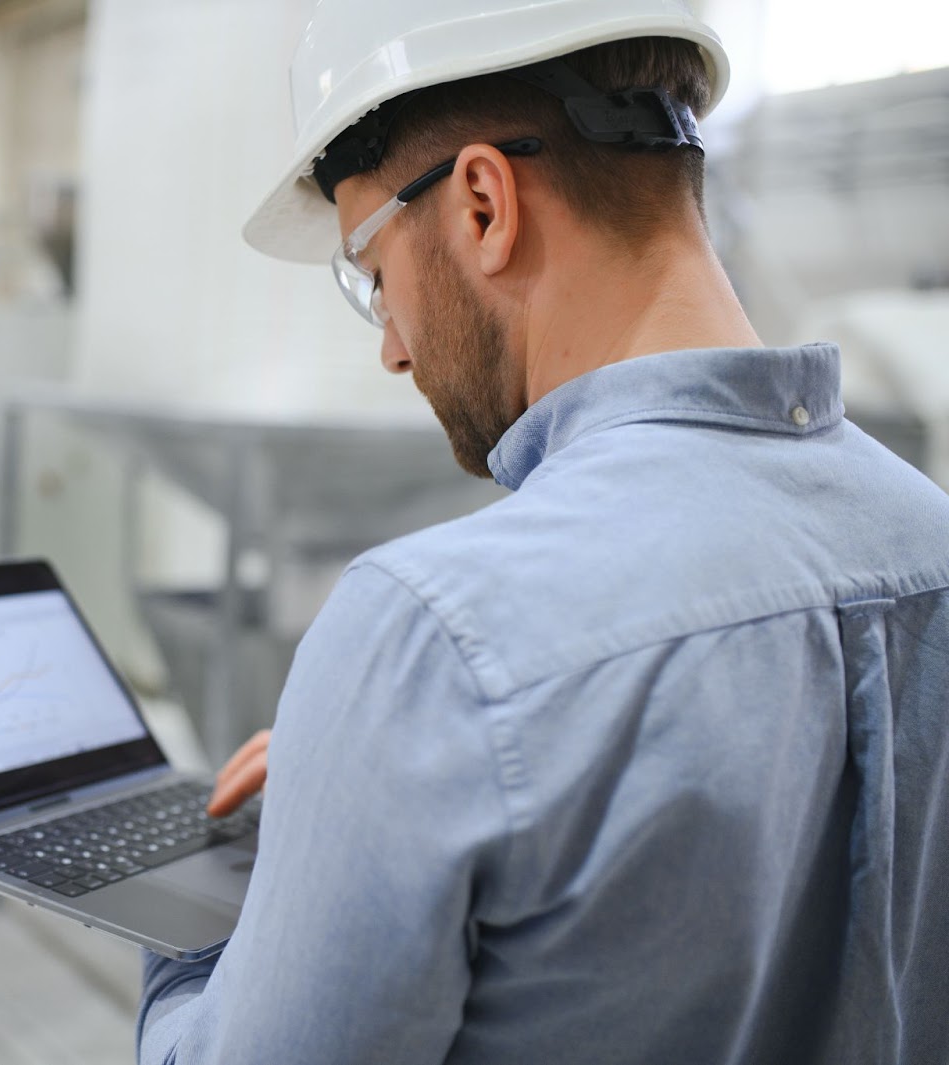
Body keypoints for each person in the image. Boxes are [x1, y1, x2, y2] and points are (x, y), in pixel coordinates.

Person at [136, 1, 949, 1062]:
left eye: (374, 276)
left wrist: (200, 904)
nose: (390, 346)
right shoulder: (927, 539)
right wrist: (381, 777)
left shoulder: (433, 637)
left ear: (482, 204)